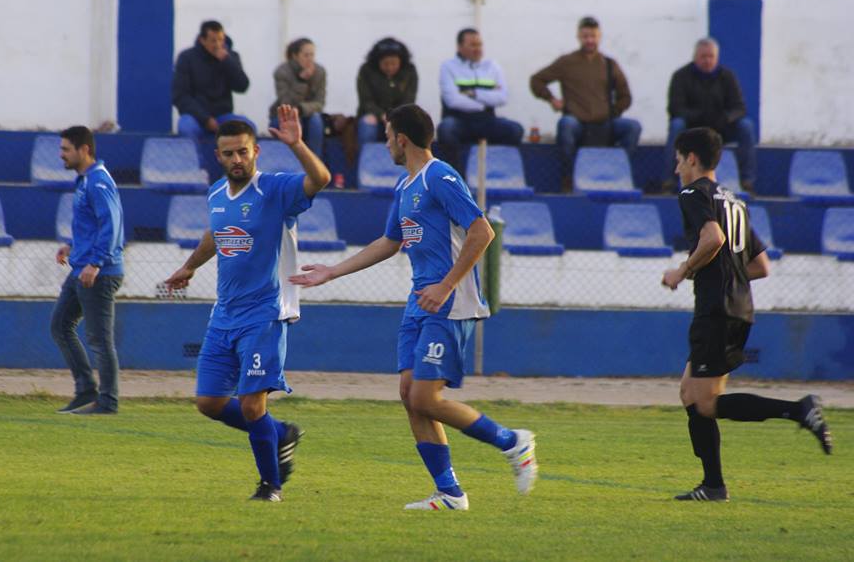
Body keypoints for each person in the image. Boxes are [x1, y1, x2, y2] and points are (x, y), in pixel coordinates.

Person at [291, 104, 536, 511]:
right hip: (419, 303)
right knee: (410, 394)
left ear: (401, 138)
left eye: (387, 135)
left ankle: (514, 442)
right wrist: (333, 272)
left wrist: (446, 284)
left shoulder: (440, 176)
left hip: (448, 302)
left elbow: (482, 231)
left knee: (425, 398)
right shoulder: (405, 187)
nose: (386, 142)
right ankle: (450, 493)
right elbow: (390, 242)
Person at [164, 108, 330, 502]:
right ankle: (282, 433)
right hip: (224, 315)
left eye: (242, 152)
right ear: (217, 156)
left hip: (265, 314)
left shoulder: (274, 190)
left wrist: (297, 144)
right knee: (210, 403)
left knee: (253, 406)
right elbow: (216, 234)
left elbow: (320, 179)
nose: (236, 160)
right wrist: (188, 266)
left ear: (255, 151)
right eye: (228, 154)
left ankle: (270, 486)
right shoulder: (217, 194)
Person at [662, 127, 832, 502]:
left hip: (716, 309)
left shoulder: (694, 194)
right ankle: (712, 485)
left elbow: (713, 240)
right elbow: (760, 265)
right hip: (738, 306)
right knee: (690, 392)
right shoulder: (734, 201)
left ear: (691, 159)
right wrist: (722, 271)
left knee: (704, 402)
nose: (676, 170)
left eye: (678, 161)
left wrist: (682, 271)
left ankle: (799, 410)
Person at [51, 126, 125, 415]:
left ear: (84, 150)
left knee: (100, 339)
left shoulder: (98, 182)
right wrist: (73, 246)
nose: (61, 155)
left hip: (98, 272)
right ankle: (85, 391)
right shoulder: (85, 181)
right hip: (82, 266)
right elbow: (92, 224)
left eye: (65, 149)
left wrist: (95, 262)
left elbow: (112, 226)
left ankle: (107, 401)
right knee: (60, 325)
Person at [530, 16, 641, 192]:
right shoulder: (567, 62)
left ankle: (619, 170)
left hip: (605, 123)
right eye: (585, 36)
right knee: (565, 125)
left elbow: (625, 95)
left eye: (593, 36)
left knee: (633, 127)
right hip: (577, 122)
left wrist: (611, 112)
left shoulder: (609, 64)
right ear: (578, 37)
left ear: (599, 37)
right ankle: (569, 176)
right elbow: (536, 81)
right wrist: (552, 100)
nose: (589, 40)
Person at [663, 37, 757, 194]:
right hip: (692, 128)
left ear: (717, 58)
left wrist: (726, 118)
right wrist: (699, 115)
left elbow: (739, 108)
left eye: (711, 56)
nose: (707, 60)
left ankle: (747, 181)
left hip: (721, 128)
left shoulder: (727, 76)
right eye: (703, 56)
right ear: (695, 57)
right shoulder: (680, 76)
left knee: (746, 127)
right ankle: (669, 181)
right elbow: (675, 108)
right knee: (676, 125)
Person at [437, 29, 524, 171]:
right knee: (446, 129)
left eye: (479, 45)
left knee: (515, 130)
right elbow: (452, 100)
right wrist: (484, 104)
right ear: (460, 47)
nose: (477, 49)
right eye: (472, 45)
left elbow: (502, 97)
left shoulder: (493, 66)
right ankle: (455, 178)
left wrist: (474, 93)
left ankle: (494, 172)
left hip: (486, 121)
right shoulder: (448, 67)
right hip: (459, 121)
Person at [172, 20, 252, 142]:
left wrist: (227, 62)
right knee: (186, 127)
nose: (218, 45)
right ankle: (197, 161)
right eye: (213, 41)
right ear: (202, 40)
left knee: (248, 127)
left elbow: (242, 86)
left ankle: (236, 161)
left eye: (221, 40)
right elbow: (180, 96)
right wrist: (206, 119)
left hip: (223, 115)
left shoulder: (231, 57)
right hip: (195, 116)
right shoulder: (187, 58)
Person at [270, 38, 326, 159]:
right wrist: (301, 81)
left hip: (308, 113)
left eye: (312, 55)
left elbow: (320, 103)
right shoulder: (282, 72)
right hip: (283, 114)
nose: (310, 59)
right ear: (295, 56)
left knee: (316, 120)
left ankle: (315, 161)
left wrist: (302, 108)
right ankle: (291, 163)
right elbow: (285, 102)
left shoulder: (320, 72)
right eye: (306, 55)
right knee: (292, 122)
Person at [356, 37, 418, 145]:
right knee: (368, 124)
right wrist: (381, 115)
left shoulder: (410, 71)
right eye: (385, 64)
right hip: (373, 115)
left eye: (394, 64)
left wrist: (394, 116)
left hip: (400, 116)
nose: (389, 68)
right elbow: (366, 101)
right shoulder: (366, 70)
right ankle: (366, 158)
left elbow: (409, 99)